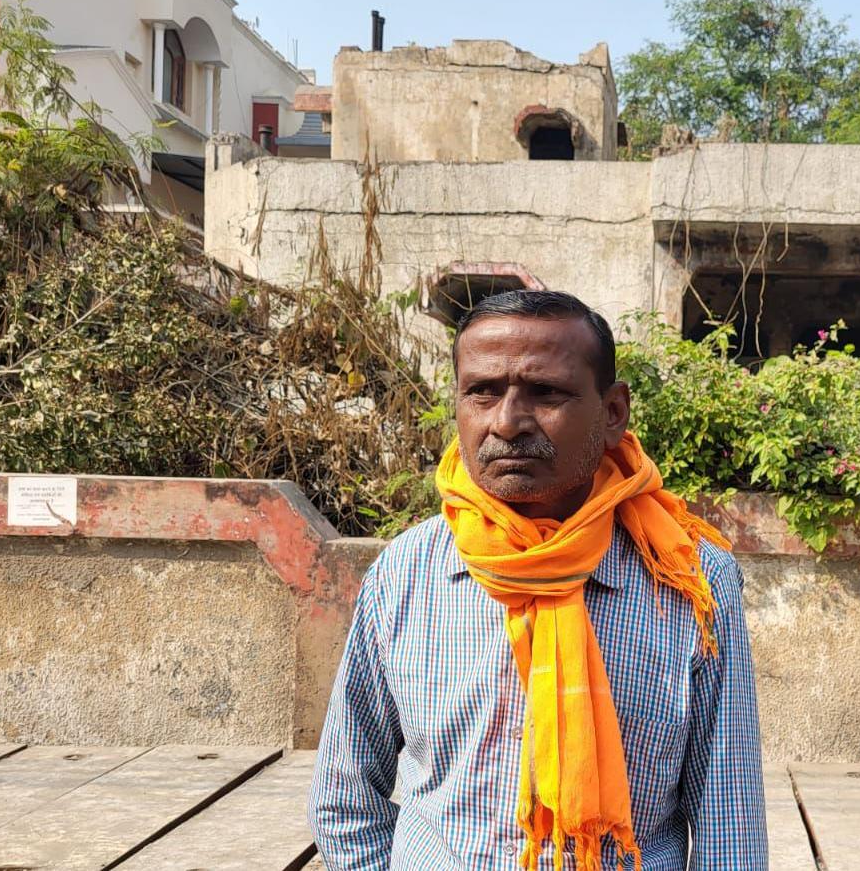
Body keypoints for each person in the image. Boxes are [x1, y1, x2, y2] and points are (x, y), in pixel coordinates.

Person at [308, 290, 767, 870]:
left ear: (613, 413)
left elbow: (728, 818)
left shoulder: (689, 579)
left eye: (545, 392)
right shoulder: (406, 573)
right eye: (482, 391)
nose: (507, 422)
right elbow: (345, 795)